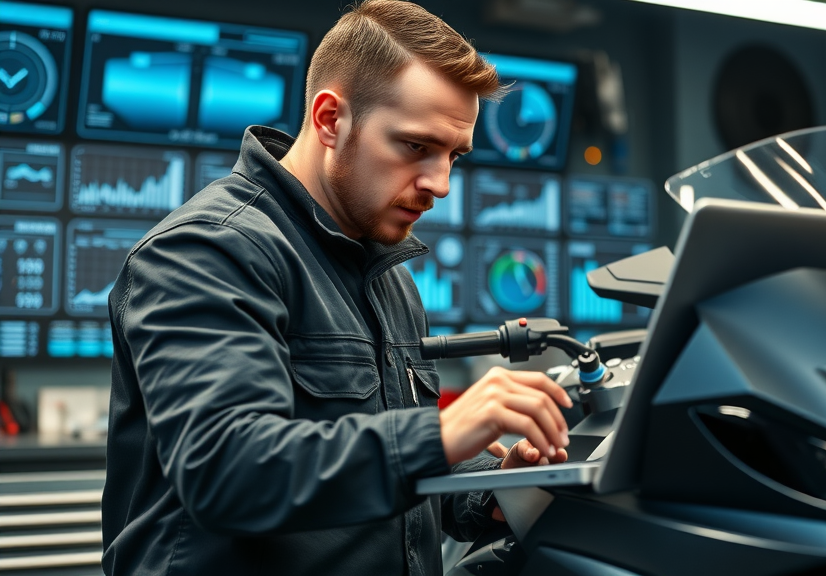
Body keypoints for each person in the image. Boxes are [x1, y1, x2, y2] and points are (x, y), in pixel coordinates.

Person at [101, 2, 571, 574]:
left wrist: (489, 488)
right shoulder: (206, 251)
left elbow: (378, 474)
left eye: (454, 155)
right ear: (330, 120)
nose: (441, 183)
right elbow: (230, 475)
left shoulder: (389, 275)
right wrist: (441, 433)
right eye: (416, 146)